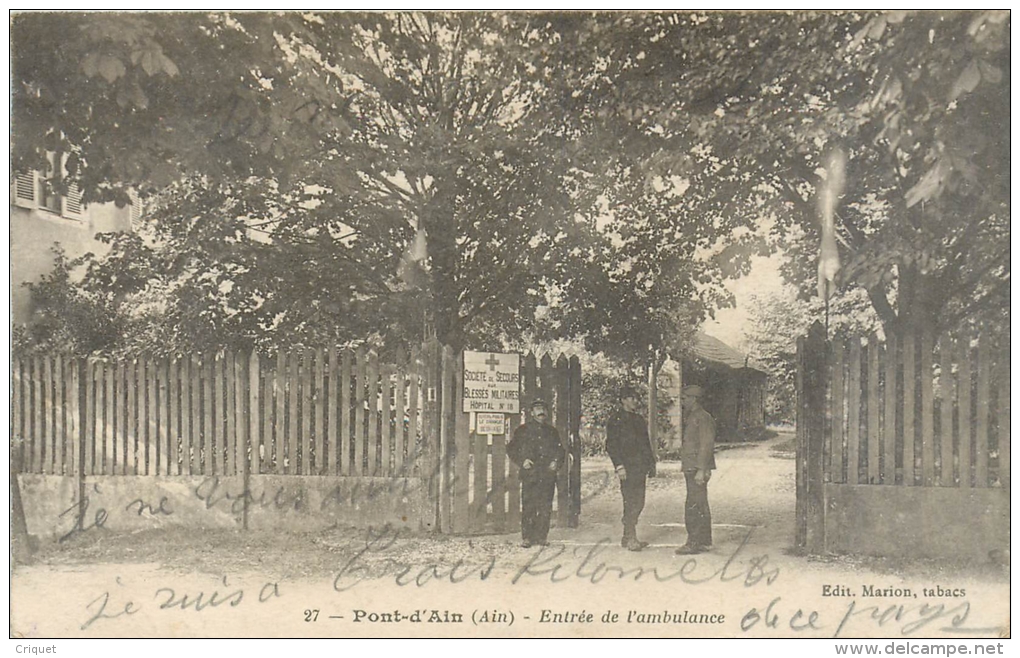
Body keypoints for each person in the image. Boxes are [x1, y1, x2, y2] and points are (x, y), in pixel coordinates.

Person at [507, 398, 564, 548]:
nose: (541, 412)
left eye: (543, 409)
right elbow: (511, 448)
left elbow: (560, 451)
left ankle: (541, 537)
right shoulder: (523, 430)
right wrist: (522, 461)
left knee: (545, 506)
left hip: (547, 474)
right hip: (530, 473)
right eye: (537, 409)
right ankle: (527, 537)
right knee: (529, 505)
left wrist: (556, 462)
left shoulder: (552, 432)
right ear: (532, 413)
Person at [605, 385, 656, 551]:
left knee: (639, 501)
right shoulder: (615, 420)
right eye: (631, 397)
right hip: (626, 467)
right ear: (623, 400)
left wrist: (651, 464)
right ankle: (630, 536)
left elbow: (645, 444)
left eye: (635, 398)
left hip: (640, 467)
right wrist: (619, 466)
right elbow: (611, 445)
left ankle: (627, 535)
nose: (635, 401)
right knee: (630, 501)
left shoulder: (639, 420)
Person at [676, 384, 716, 555]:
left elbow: (706, 444)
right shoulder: (693, 416)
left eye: (684, 398)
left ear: (694, 399)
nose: (682, 401)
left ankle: (693, 542)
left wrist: (701, 469)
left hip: (695, 467)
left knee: (693, 504)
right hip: (692, 466)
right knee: (700, 502)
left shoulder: (702, 417)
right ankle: (704, 541)